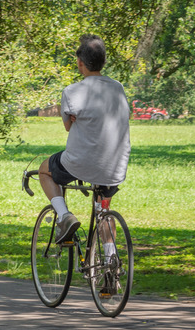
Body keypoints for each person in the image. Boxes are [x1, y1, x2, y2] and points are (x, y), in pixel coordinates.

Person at [37, 35, 130, 254]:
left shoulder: (72, 91)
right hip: (115, 165)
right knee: (102, 208)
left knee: (44, 170)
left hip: (80, 162)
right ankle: (110, 260)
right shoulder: (117, 88)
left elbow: (68, 126)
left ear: (80, 63)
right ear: (103, 61)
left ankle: (64, 215)